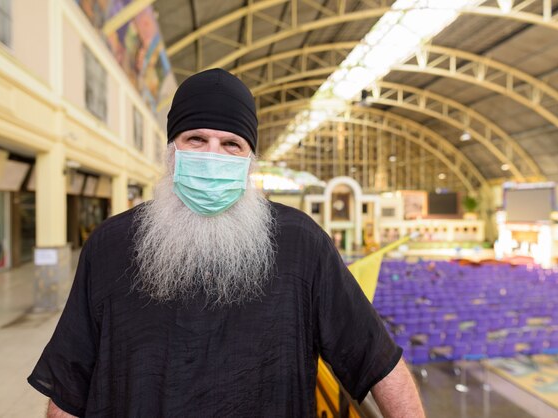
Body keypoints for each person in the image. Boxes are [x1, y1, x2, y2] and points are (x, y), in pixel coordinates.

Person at [28, 68, 425, 417]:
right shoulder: (111, 246)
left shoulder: (301, 244)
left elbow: (376, 359)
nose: (213, 156)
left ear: (250, 160)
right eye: (196, 139)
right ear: (171, 152)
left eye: (231, 144)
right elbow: (69, 381)